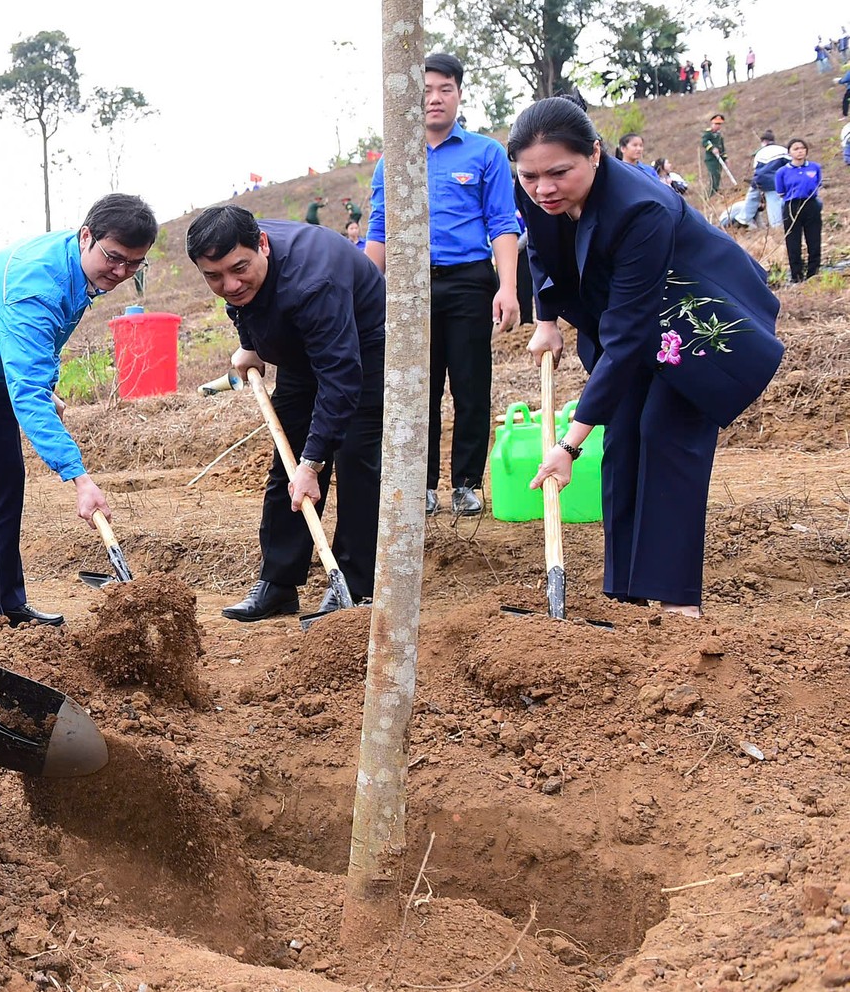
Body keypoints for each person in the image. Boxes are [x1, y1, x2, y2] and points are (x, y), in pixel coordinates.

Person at [511, 96, 782, 617]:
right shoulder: (535, 189)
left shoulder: (641, 207)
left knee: (667, 432)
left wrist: (568, 446)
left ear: (595, 153)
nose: (544, 188)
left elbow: (630, 335)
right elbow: (540, 249)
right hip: (624, 312)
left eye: (559, 173)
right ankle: (630, 595)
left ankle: (678, 603)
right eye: (530, 177)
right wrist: (546, 320)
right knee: (626, 435)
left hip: (697, 319)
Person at [0, 194, 157, 626]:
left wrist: (44, 385)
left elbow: (43, 344)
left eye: (134, 265)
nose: (120, 272)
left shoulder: (78, 268)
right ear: (86, 236)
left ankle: (10, 604)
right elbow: (27, 385)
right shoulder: (36, 285)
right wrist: (80, 479)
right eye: (114, 258)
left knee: (8, 478)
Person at [189, 208, 384, 622]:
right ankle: (278, 583)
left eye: (238, 269)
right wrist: (251, 344)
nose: (230, 284)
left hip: (361, 351)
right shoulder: (237, 269)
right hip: (299, 349)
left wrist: (314, 464)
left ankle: (355, 586)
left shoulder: (314, 281)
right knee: (288, 463)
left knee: (354, 461)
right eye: (214, 277)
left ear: (262, 244)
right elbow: (241, 303)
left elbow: (339, 377)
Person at [365, 52, 521, 516]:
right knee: (420, 388)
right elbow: (380, 230)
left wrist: (507, 288)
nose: (434, 99)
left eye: (443, 89)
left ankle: (466, 483)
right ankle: (425, 483)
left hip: (471, 281)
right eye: (425, 91)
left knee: (471, 383)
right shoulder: (393, 162)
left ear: (458, 93)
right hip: (411, 289)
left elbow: (501, 223)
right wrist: (366, 296)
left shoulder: (485, 152)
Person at [775, 139, 824, 283]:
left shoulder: (814, 167)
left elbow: (818, 184)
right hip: (792, 206)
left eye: (802, 148)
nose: (800, 151)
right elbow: (781, 192)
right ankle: (797, 275)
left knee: (814, 240)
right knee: (793, 242)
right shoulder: (782, 172)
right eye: (796, 149)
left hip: (811, 205)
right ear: (789, 152)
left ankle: (813, 274)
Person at [700, 114, 729, 196]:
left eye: (719, 124)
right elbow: (704, 142)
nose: (718, 126)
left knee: (718, 176)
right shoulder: (708, 133)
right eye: (716, 124)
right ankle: (710, 195)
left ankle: (716, 192)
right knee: (714, 177)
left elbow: (721, 147)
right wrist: (712, 148)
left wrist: (725, 157)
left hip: (719, 159)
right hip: (711, 160)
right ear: (712, 124)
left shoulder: (719, 135)